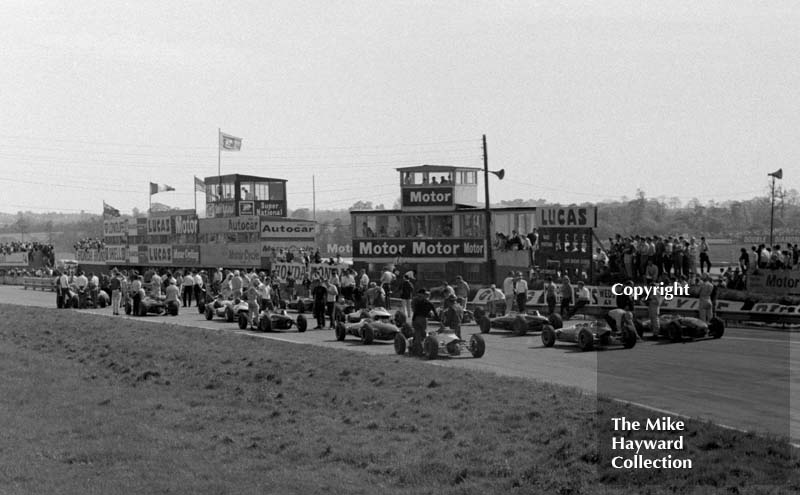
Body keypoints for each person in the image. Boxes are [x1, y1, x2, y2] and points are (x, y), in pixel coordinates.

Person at [410, 289, 436, 356]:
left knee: (419, 334)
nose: (426, 295)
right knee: (420, 334)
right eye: (424, 294)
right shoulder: (420, 300)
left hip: (417, 318)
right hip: (422, 318)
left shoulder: (416, 300)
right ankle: (419, 350)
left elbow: (414, 309)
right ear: (420, 294)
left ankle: (417, 349)